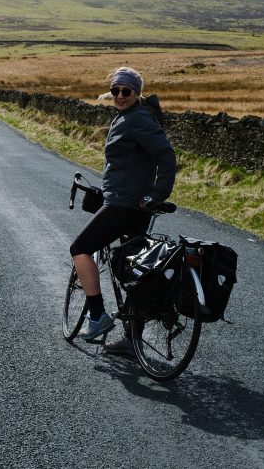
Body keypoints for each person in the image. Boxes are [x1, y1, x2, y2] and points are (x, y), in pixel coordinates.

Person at [70, 66, 177, 351]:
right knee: (133, 270)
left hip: (126, 204)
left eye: (125, 91)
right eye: (115, 90)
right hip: (128, 201)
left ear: (136, 93)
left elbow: (166, 154)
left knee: (80, 249)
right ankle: (132, 340)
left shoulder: (137, 119)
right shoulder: (128, 116)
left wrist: (158, 193)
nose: (119, 95)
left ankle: (97, 316)